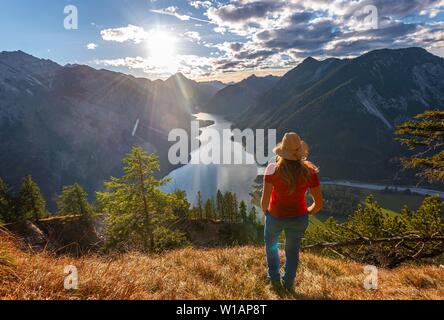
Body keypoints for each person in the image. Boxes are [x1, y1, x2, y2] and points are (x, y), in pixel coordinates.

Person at [261, 132, 323, 292]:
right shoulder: (310, 171)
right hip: (298, 218)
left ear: (282, 151)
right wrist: (307, 211)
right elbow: (319, 204)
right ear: (300, 151)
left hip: (275, 217)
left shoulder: (272, 169)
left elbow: (264, 201)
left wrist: (267, 213)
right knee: (292, 251)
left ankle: (274, 279)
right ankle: (288, 284)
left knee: (271, 247)